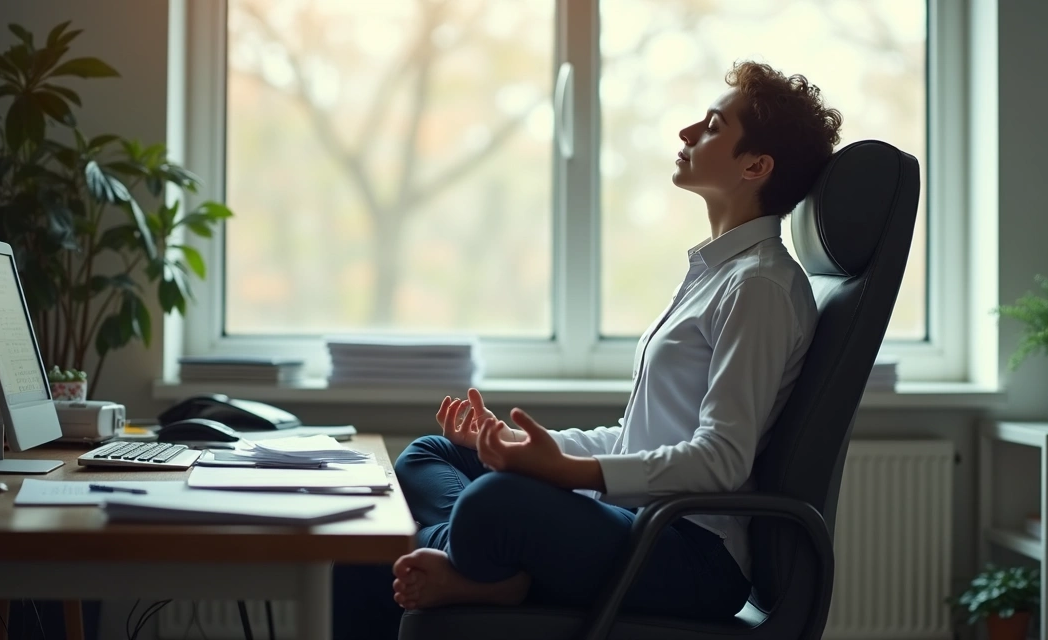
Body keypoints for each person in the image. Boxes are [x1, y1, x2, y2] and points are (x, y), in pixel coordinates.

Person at [332, 60, 843, 639]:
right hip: (639, 521)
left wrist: (569, 470)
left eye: (712, 126)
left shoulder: (759, 287)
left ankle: (478, 567)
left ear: (756, 165)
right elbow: (640, 436)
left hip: (690, 554)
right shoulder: (715, 274)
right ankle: (480, 569)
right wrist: (522, 445)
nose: (686, 134)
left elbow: (722, 460)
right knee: (430, 456)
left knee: (489, 503)